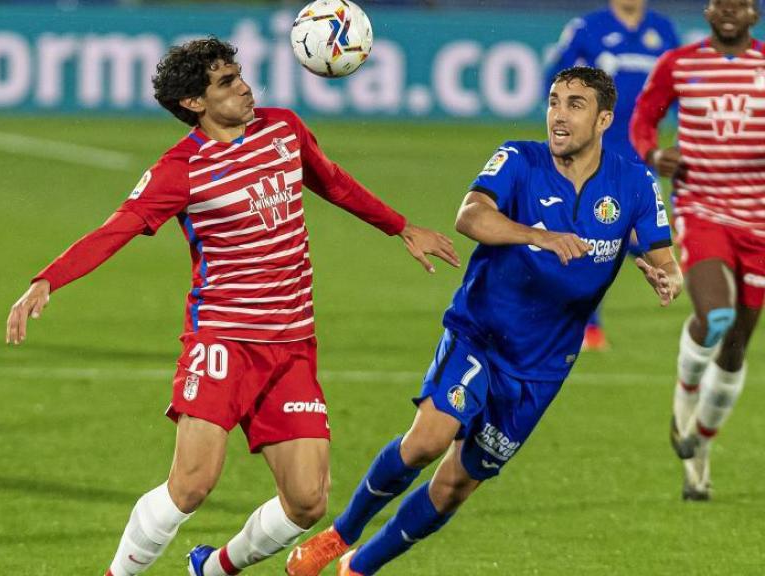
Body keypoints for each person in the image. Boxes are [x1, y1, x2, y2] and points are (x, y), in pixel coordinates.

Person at [4, 37, 460, 576]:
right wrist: (47, 280)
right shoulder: (181, 169)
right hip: (221, 341)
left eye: (239, 74)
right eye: (226, 82)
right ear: (195, 104)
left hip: (291, 345)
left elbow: (331, 182)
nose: (244, 86)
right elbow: (117, 228)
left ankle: (215, 568)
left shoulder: (283, 129)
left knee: (308, 501)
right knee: (192, 485)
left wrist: (400, 225)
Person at [286, 66, 681, 576]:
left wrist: (667, 278)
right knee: (427, 439)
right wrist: (536, 235)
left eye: (575, 105)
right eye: (554, 102)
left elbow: (663, 256)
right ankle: (339, 535)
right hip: (481, 333)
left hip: (542, 365)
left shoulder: (633, 183)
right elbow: (470, 215)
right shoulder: (519, 158)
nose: (559, 115)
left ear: (604, 119)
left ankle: (360, 567)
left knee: (455, 486)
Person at [631, 0, 763, 501]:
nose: (729, 10)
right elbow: (644, 117)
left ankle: (699, 453)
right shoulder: (679, 64)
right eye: (720, 2)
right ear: (708, 11)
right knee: (717, 314)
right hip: (701, 208)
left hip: (760, 223)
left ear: (754, 14)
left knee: (735, 351)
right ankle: (684, 397)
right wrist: (653, 153)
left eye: (741, 4)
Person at [546, 0, 679, 351]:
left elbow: (680, 90)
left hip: (641, 152)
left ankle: (661, 269)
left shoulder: (663, 31)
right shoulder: (586, 28)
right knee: (595, 230)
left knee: (624, 232)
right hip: (595, 148)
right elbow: (554, 78)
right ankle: (588, 325)